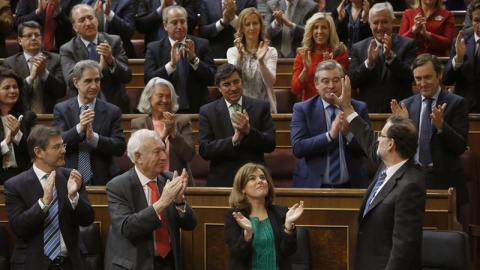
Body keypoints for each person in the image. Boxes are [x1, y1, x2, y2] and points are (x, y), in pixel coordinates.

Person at [332, 76, 426, 270]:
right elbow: (367, 138)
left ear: (391, 144)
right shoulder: (387, 166)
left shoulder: (410, 184)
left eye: (381, 135)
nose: (377, 138)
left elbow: (404, 247)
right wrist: (348, 109)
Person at [4, 125, 95, 269]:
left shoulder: (72, 177)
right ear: (39, 152)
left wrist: (74, 197)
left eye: (63, 145)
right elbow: (18, 227)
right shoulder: (15, 185)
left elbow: (87, 219)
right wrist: (43, 203)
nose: (64, 150)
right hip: (32, 264)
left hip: (69, 264)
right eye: (57, 147)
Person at [105, 129, 197, 270]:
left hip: (169, 263)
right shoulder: (117, 186)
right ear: (138, 157)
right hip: (135, 264)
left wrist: (179, 200)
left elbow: (190, 224)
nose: (163, 157)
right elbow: (127, 228)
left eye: (163, 150)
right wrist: (161, 203)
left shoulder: (169, 179)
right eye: (156, 152)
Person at [391, 53, 469, 208]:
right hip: (413, 178)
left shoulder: (456, 103)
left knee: (444, 230)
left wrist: (441, 126)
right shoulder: (406, 105)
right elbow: (399, 149)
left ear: (439, 74)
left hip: (445, 181)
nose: (422, 83)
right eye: (418, 79)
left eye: (427, 77)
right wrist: (402, 127)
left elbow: (460, 146)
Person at [291, 59, 369, 188]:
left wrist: (348, 134)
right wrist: (330, 136)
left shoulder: (359, 108)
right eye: (325, 81)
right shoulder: (303, 109)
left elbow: (368, 149)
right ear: (316, 84)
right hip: (312, 186)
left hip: (352, 186)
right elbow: (298, 148)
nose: (331, 86)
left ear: (343, 82)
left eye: (336, 80)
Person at [198, 63, 276, 187]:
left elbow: (271, 143)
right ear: (219, 88)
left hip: (255, 180)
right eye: (226, 84)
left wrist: (249, 131)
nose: (233, 88)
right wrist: (232, 141)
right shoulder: (207, 111)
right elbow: (205, 150)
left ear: (242, 82)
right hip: (222, 181)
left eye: (236, 82)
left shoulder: (260, 106)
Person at [53, 60, 126, 185]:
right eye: (88, 81)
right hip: (69, 177)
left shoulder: (112, 111)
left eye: (97, 80)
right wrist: (79, 128)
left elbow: (120, 147)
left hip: (104, 178)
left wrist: (94, 138)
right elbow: (58, 142)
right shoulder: (61, 109)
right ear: (76, 83)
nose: (94, 86)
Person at [224, 163, 304, 270]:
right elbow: (238, 256)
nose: (260, 181)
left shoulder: (281, 212)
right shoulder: (234, 216)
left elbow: (288, 251)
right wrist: (247, 234)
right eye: (252, 178)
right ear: (242, 188)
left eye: (262, 178)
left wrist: (288, 226)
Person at [60, 4, 133, 113]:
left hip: (115, 105)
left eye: (90, 18)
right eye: (82, 20)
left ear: (97, 20)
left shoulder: (114, 41)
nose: (88, 23)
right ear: (74, 27)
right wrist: (99, 68)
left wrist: (111, 60)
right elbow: (71, 81)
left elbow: (127, 76)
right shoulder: (68, 49)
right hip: (83, 108)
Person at [144, 5, 216, 113]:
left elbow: (212, 78)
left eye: (183, 22)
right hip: (165, 109)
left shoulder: (202, 44)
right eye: (174, 22)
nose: (179, 26)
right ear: (165, 25)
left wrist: (194, 60)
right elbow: (148, 80)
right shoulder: (154, 48)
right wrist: (171, 66)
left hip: (198, 109)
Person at [349, 1, 417, 113]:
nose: (380, 27)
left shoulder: (408, 44)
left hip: (399, 112)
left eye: (384, 22)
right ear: (369, 24)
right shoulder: (358, 48)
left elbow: (410, 76)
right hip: (369, 113)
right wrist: (368, 63)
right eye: (375, 23)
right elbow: (353, 81)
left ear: (393, 22)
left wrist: (390, 56)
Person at [131, 77, 196, 186]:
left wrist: (174, 132)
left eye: (168, 96)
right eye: (160, 96)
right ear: (149, 98)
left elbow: (188, 155)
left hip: (178, 183)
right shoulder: (139, 124)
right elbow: (137, 157)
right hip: (147, 184)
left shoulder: (182, 121)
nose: (165, 100)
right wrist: (162, 136)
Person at [3, 21, 66, 114]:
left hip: (49, 116)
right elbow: (10, 94)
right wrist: (30, 79)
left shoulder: (55, 59)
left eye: (37, 35)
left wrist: (45, 73)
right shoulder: (10, 63)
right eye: (29, 36)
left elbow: (61, 91)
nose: (33, 38)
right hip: (20, 116)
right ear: (20, 41)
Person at [227, 7, 278, 113]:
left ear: (260, 26)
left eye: (255, 23)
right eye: (247, 24)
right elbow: (233, 79)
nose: (252, 28)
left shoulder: (270, 51)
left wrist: (261, 61)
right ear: (241, 27)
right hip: (241, 108)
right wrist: (240, 57)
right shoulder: (233, 51)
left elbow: (270, 82)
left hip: (265, 108)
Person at [291, 13, 349, 102]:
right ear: (310, 30)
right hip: (310, 106)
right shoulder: (303, 54)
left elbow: (345, 86)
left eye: (324, 27)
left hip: (335, 104)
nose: (319, 31)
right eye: (316, 27)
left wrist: (332, 66)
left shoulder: (340, 51)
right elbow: (295, 90)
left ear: (330, 31)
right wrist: (305, 69)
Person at [0, 68, 38, 184]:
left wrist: (18, 135)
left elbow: (36, 151)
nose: (13, 91)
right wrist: (5, 143)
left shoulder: (28, 117)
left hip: (22, 176)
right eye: (7, 88)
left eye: (15, 87)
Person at [443, 1, 480, 112]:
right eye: (477, 20)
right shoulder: (461, 43)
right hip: (464, 108)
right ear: (471, 21)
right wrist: (458, 58)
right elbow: (447, 80)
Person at [15, 0, 80, 53]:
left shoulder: (71, 1)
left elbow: (74, 27)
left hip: (61, 51)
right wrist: (38, 12)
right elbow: (18, 23)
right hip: (32, 50)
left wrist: (58, 12)